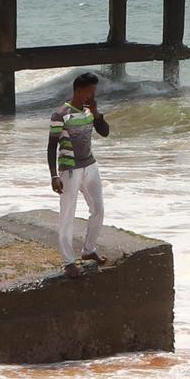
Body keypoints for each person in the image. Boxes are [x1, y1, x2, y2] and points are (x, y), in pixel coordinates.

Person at [47, 72, 112, 278]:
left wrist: (97, 112)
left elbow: (105, 132)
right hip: (70, 169)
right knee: (68, 215)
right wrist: (53, 176)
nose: (93, 95)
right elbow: (51, 146)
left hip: (91, 166)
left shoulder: (89, 111)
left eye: (94, 91)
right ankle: (68, 262)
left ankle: (88, 250)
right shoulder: (61, 114)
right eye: (90, 91)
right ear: (78, 90)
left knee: (98, 209)